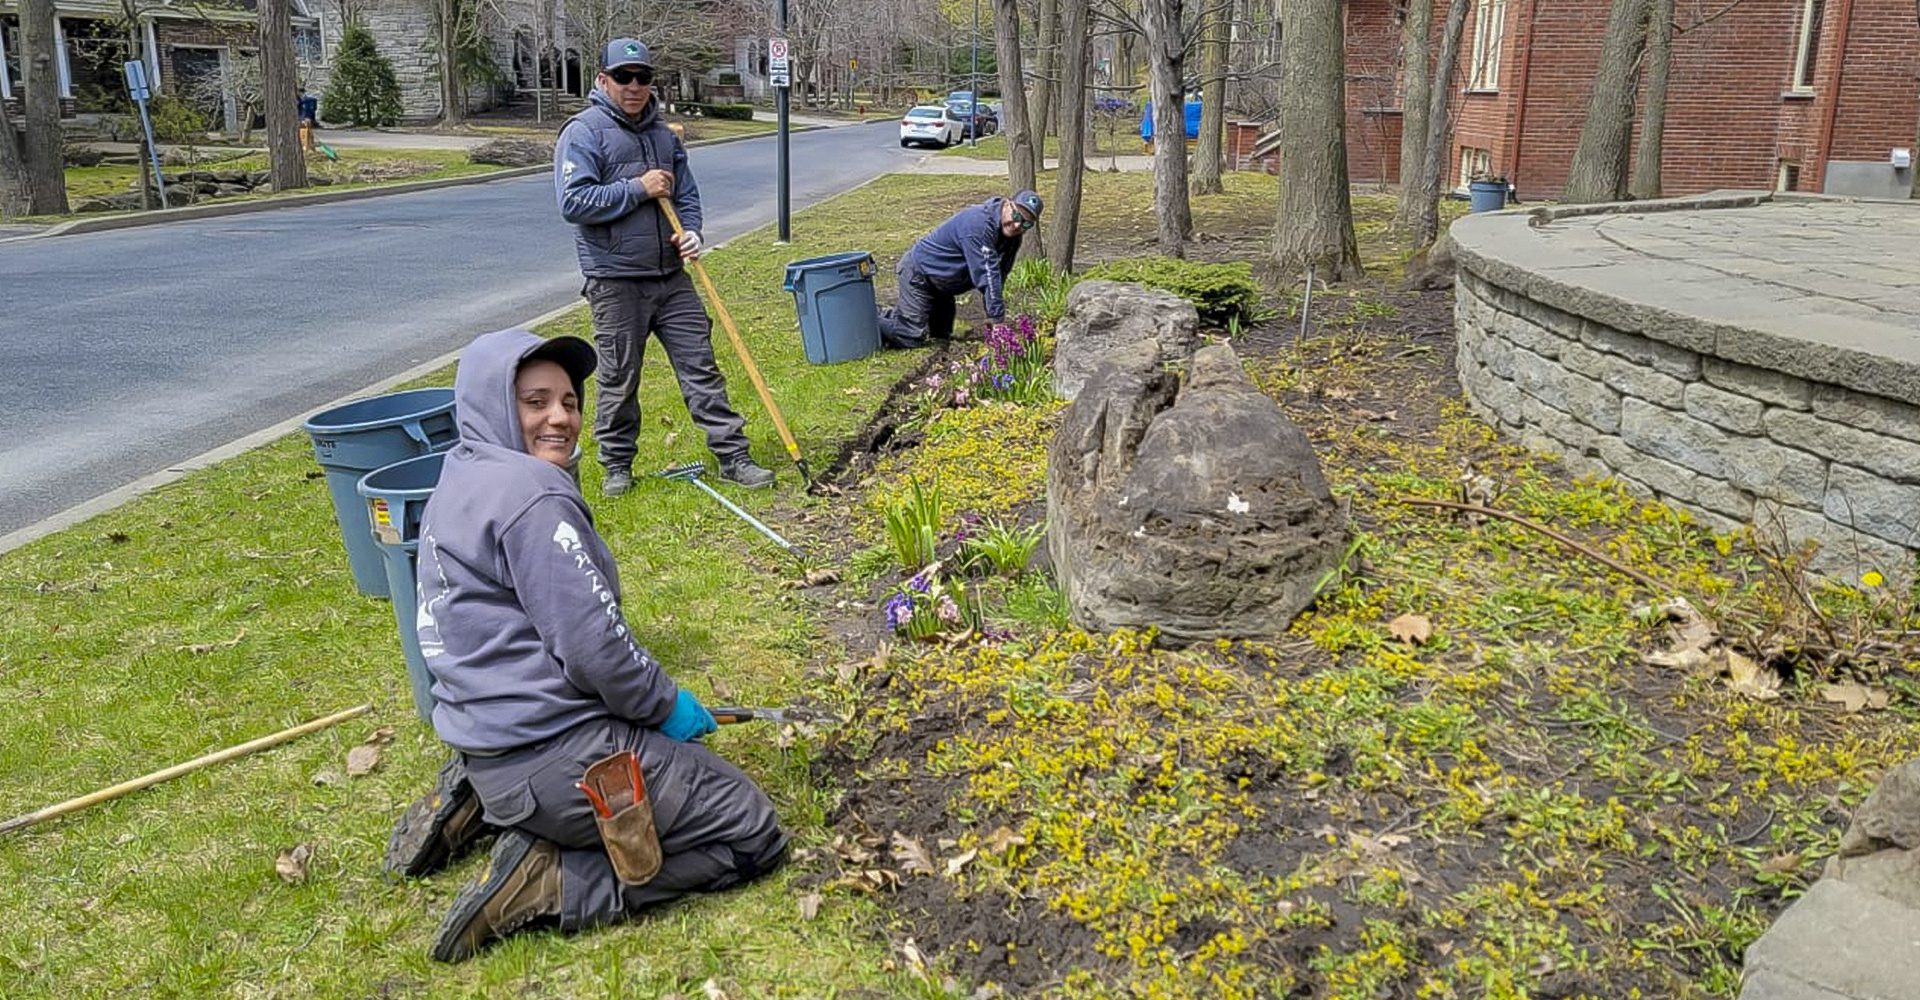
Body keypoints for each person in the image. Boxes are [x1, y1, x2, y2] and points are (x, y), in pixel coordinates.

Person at [381, 327, 789, 963]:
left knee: (640, 763)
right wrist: (665, 706)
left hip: (486, 730)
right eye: (535, 401)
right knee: (748, 830)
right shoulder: (531, 496)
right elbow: (597, 649)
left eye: (569, 402)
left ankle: (488, 799)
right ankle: (553, 880)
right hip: (551, 751)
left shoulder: (461, 473)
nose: (561, 418)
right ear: (492, 403)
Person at [553, 37, 775, 496]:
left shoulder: (662, 134)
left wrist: (692, 231)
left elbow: (685, 194)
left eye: (642, 77)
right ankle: (617, 465)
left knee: (701, 365)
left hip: (671, 277)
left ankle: (733, 455)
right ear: (603, 80)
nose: (634, 86)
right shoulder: (583, 132)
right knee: (619, 376)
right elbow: (573, 202)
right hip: (615, 281)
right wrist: (638, 187)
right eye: (623, 77)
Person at [877, 189, 1042, 349]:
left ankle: (890, 316)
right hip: (920, 274)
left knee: (941, 336)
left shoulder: (1013, 238)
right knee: (910, 337)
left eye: (1026, 223)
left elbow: (999, 276)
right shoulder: (979, 225)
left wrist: (994, 313)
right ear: (1007, 205)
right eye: (1016, 216)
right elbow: (987, 275)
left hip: (942, 286)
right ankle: (865, 319)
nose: (1017, 225)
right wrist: (998, 322)